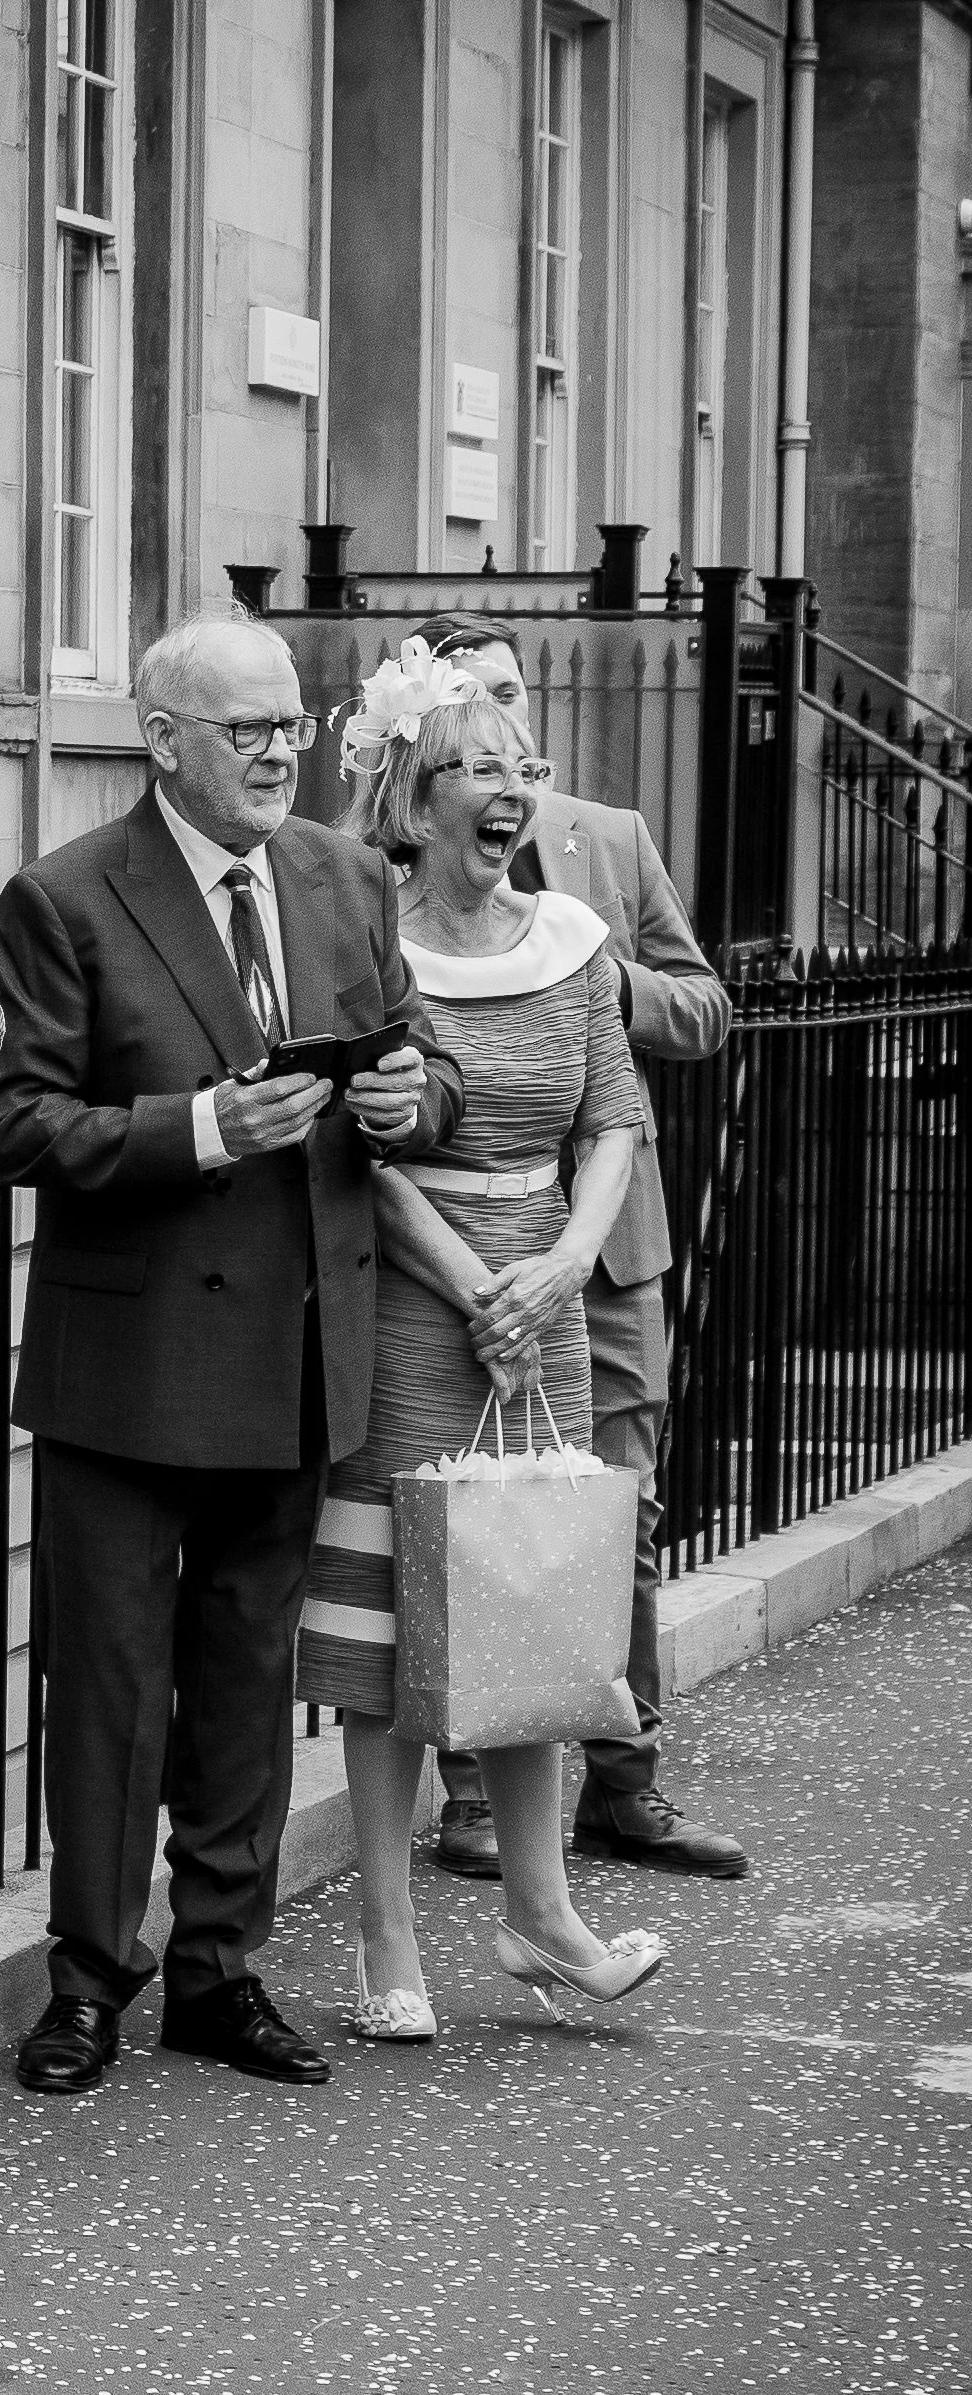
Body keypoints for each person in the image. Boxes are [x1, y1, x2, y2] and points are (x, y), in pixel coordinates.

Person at [0, 615, 464, 2097]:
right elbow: (12, 1125)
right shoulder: (63, 898)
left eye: (290, 725)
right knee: (116, 1694)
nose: (276, 751)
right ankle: (87, 1984)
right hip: (127, 1378)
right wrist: (194, 1128)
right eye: (243, 728)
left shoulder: (340, 877)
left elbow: (423, 1066)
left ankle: (218, 1972)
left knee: (249, 1683)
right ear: (162, 738)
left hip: (299, 1349)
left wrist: (406, 1108)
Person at [297, 638, 669, 2037]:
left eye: (522, 767)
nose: (509, 790)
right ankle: (388, 1944)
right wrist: (477, 1288)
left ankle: (540, 1916)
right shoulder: (364, 940)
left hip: (547, 1304)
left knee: (533, 1601)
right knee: (395, 1623)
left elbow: (614, 1117)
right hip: (413, 1304)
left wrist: (563, 1268)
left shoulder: (574, 939)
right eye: (477, 768)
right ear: (413, 792)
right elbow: (362, 1149)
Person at [410, 614, 747, 1883]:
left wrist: (586, 980)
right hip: (460, 1245)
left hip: (608, 1255)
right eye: (479, 718)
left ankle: (627, 1779)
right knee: (463, 1496)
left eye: (518, 717)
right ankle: (475, 1794)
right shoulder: (384, 869)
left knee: (620, 1506)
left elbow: (704, 1007)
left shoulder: (607, 844)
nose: (512, 757)